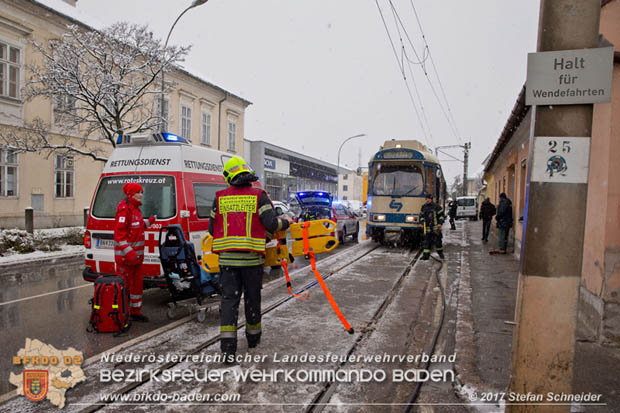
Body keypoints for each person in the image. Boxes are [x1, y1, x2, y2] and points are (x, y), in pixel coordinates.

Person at [209, 156, 291, 363]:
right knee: (252, 300)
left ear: (228, 176)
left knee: (229, 302)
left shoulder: (220, 198)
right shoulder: (258, 196)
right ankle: (253, 339)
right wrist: (286, 222)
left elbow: (212, 228)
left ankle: (228, 349)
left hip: (227, 262)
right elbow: (271, 224)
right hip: (251, 261)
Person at [114, 182, 156, 322]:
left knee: (137, 287)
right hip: (127, 260)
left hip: (137, 259)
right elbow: (119, 236)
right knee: (125, 287)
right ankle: (122, 313)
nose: (141, 194)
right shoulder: (124, 210)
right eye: (138, 192)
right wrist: (130, 254)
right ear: (131, 194)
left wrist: (149, 222)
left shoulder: (136, 209)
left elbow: (138, 227)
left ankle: (135, 311)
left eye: (141, 192)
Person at [420, 193, 445, 260]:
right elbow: (421, 216)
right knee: (426, 242)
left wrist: (440, 223)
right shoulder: (424, 207)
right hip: (427, 228)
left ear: (431, 199)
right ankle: (426, 256)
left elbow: (442, 216)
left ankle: (440, 254)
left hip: (435, 228)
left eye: (428, 199)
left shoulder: (437, 207)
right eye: (426, 199)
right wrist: (422, 222)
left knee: (438, 242)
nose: (427, 200)